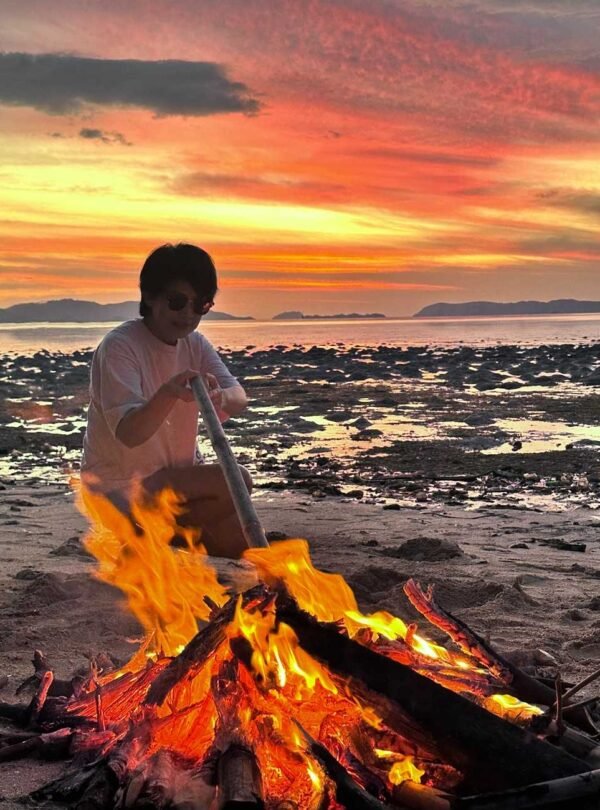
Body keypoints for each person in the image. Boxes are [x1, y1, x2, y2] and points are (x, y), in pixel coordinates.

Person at [81, 243, 251, 558]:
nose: (188, 313)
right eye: (177, 301)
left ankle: (159, 539)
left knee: (241, 544)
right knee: (236, 481)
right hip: (121, 489)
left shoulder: (195, 344)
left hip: (175, 487)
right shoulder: (120, 347)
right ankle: (143, 538)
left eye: (200, 304)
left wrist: (219, 395)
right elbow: (131, 434)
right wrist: (168, 393)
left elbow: (238, 397)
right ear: (149, 297)